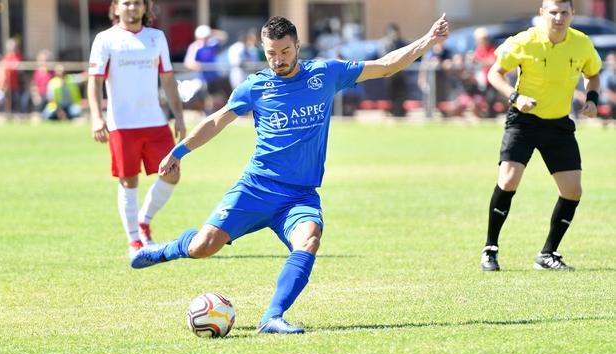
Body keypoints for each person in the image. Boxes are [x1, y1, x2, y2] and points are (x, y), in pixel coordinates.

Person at [131, 15, 449, 333]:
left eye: (284, 51)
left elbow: (385, 65)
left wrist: (428, 40)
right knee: (203, 246)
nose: (278, 60)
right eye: (271, 53)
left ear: (297, 46)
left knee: (309, 239)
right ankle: (167, 249)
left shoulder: (326, 73)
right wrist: (179, 151)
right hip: (257, 187)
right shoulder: (255, 86)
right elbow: (217, 120)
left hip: (299, 195)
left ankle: (272, 317)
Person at [480, 0, 601, 272]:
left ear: (572, 14)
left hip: (558, 124)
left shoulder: (581, 43)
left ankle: (548, 254)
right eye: (553, 12)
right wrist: (515, 96)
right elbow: (494, 73)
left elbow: (593, 74)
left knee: (573, 190)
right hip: (523, 122)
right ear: (542, 13)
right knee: (508, 180)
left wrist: (592, 99)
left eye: (564, 13)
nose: (559, 18)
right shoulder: (524, 41)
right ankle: (490, 249)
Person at [87, 0, 186, 256]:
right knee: (129, 181)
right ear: (116, 8)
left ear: (145, 8)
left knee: (172, 172)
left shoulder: (156, 37)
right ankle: (134, 241)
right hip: (122, 124)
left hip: (155, 121)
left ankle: (144, 219)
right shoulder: (105, 39)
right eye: (126, 3)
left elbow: (168, 79)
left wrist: (179, 116)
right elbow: (94, 82)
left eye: (136, 3)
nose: (131, 7)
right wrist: (97, 117)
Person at [184, 25, 228, 113]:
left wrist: (211, 32)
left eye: (207, 37)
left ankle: (214, 113)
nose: (205, 39)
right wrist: (198, 66)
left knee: (217, 97)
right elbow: (188, 63)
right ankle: (208, 114)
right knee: (206, 98)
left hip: (214, 77)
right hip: (201, 78)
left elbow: (224, 36)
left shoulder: (212, 44)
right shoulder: (195, 47)